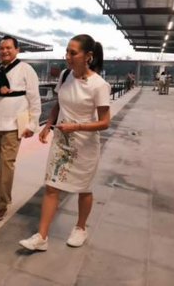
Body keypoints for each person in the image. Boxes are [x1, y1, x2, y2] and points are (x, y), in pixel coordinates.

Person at [19, 34, 110, 251]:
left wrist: (76, 126)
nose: (67, 56)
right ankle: (42, 237)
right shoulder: (65, 75)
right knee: (51, 186)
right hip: (61, 141)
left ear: (88, 56)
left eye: (73, 52)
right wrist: (48, 125)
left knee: (83, 188)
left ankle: (80, 228)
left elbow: (105, 122)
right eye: (67, 51)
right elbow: (58, 105)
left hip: (84, 146)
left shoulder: (99, 85)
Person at [0, 36, 41, 222]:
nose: (4, 51)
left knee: (7, 163)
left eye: (8, 48)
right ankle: (2, 194)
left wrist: (32, 124)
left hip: (13, 125)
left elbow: (34, 99)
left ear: (17, 50)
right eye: (1, 48)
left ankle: (3, 203)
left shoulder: (26, 70)